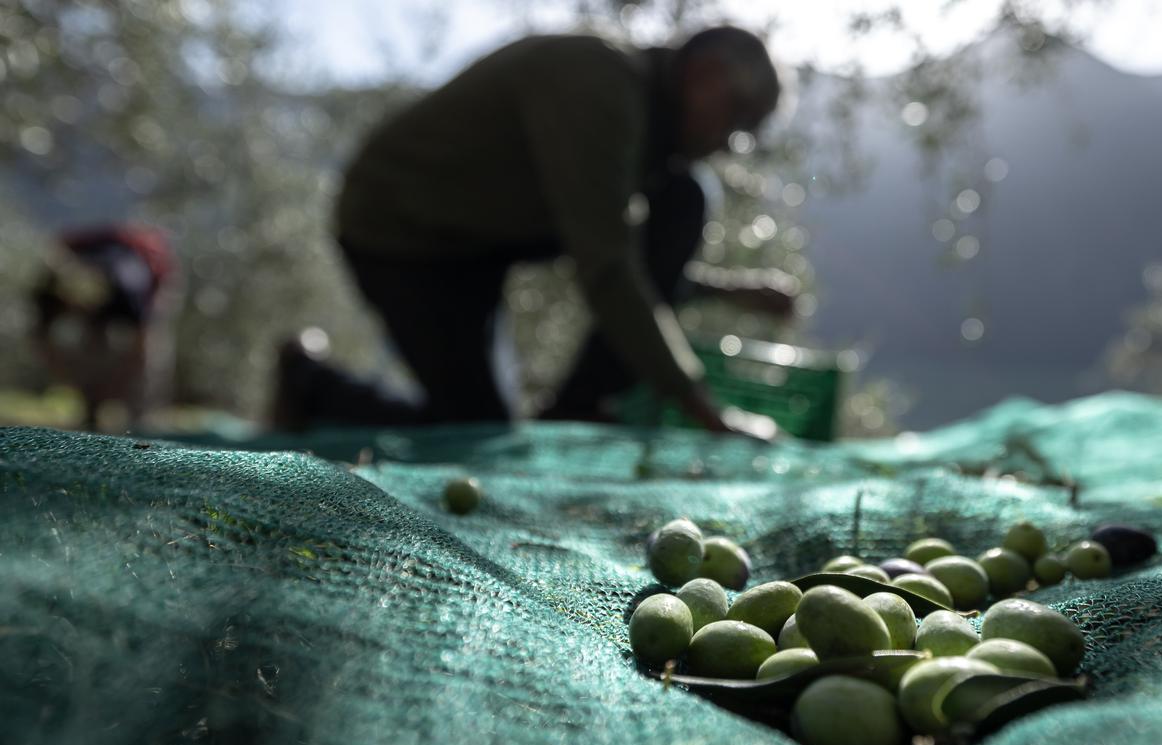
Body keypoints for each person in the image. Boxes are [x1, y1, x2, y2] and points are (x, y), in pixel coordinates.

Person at [273, 26, 794, 437]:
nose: (730, 141)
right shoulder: (601, 85)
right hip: (401, 234)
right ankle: (312, 385)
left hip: (476, 246)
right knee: (475, 434)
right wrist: (705, 409)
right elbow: (609, 267)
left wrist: (727, 291)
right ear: (703, 74)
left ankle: (575, 408)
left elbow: (618, 253)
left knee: (683, 196)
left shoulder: (645, 132)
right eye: (738, 117)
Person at [31, 224, 178, 432]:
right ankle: (90, 415)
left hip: (151, 280)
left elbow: (141, 349)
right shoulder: (49, 290)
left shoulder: (128, 289)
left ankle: (143, 423)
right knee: (91, 349)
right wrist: (73, 382)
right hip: (101, 288)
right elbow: (40, 340)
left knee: (150, 359)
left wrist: (114, 388)